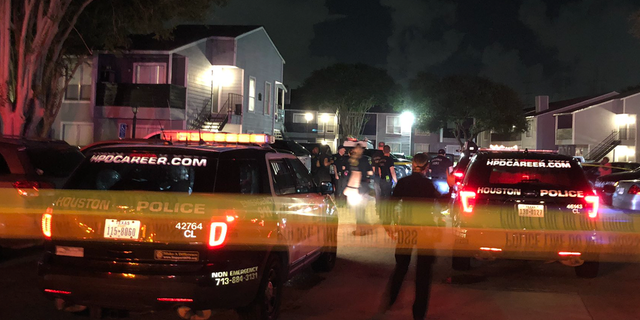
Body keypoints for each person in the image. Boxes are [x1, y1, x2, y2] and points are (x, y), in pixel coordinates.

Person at [377, 153, 439, 320]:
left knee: (401, 266)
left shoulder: (403, 183)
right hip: (425, 231)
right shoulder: (429, 185)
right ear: (426, 167)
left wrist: (387, 223)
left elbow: (390, 204)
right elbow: (440, 206)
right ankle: (418, 314)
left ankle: (389, 301)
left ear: (412, 165)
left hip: (406, 229)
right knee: (423, 273)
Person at [344, 143, 373, 236]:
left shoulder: (351, 160)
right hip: (363, 187)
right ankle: (363, 228)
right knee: (362, 210)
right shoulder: (365, 160)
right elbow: (370, 172)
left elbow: (347, 172)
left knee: (357, 210)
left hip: (352, 187)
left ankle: (360, 229)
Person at [376, 145, 397, 217]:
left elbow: (379, 172)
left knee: (382, 196)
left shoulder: (380, 160)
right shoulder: (390, 159)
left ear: (383, 151)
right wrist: (396, 181)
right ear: (389, 151)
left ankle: (380, 213)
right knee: (387, 197)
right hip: (388, 181)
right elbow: (392, 171)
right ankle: (386, 213)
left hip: (382, 180)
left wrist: (382, 177)